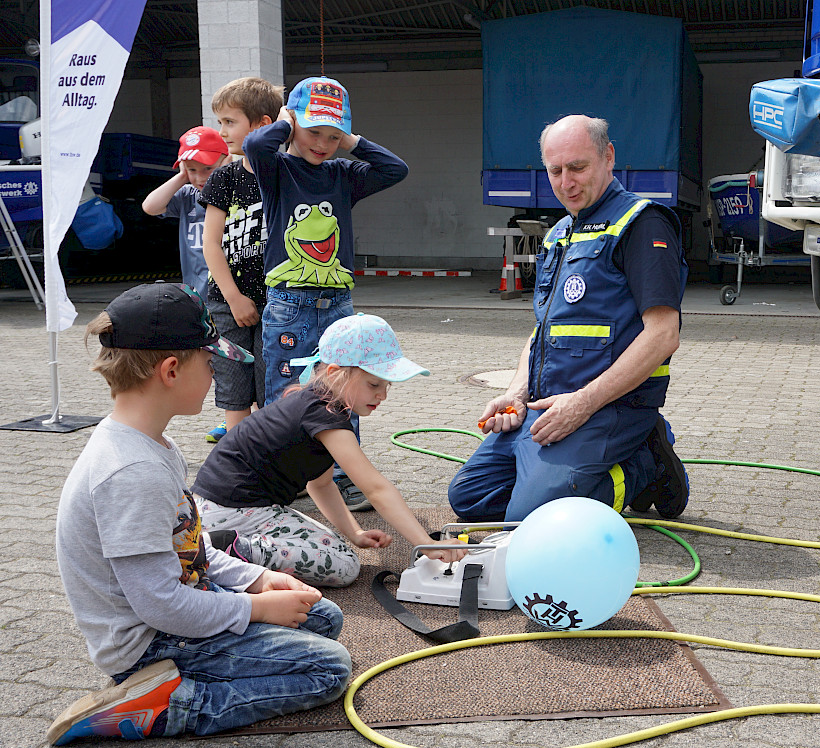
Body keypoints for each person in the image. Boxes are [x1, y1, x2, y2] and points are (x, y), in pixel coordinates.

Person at [48, 283, 351, 746]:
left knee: (323, 618)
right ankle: (165, 704)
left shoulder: (153, 445)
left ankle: (180, 682)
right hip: (151, 643)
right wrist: (254, 608)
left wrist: (255, 580)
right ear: (171, 370)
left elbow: (192, 545)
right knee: (328, 668)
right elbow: (161, 604)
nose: (215, 375)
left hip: (177, 615)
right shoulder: (131, 471)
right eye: (210, 364)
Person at [447, 114, 690, 523]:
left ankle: (644, 465)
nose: (566, 182)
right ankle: (565, 475)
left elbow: (663, 336)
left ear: (608, 157)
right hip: (548, 405)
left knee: (531, 518)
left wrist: (582, 404)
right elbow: (543, 329)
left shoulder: (641, 224)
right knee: (470, 498)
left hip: (610, 408)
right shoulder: (558, 233)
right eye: (555, 171)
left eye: (578, 167)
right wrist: (516, 393)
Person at [191, 313, 464, 587]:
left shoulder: (319, 406)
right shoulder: (325, 417)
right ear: (334, 374)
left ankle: (228, 546)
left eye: (386, 385)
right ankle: (224, 549)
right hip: (233, 510)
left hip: (221, 507)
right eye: (374, 384)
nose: (383, 395)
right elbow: (376, 488)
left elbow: (320, 485)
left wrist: (354, 532)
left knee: (333, 547)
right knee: (345, 566)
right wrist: (426, 544)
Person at [244, 75, 409, 512]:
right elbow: (256, 146)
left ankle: (343, 476)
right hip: (289, 303)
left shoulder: (344, 173)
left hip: (338, 305)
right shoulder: (277, 168)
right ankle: (285, 475)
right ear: (292, 124)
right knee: (286, 390)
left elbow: (395, 169)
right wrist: (285, 122)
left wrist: (353, 142)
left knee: (346, 390)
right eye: (314, 131)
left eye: (332, 135)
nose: (323, 142)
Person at [198, 77, 284, 444]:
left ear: (263, 126)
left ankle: (272, 468)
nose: (222, 131)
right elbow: (211, 243)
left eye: (230, 122)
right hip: (225, 302)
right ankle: (240, 469)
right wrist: (233, 297)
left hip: (279, 303)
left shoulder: (286, 174)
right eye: (220, 122)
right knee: (234, 393)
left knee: (272, 390)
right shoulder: (225, 178)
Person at [141, 126, 229, 294]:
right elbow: (150, 206)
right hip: (197, 294)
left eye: (207, 168)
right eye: (192, 170)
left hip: (230, 293)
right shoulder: (188, 196)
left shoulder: (236, 193)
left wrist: (224, 174)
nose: (200, 177)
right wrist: (182, 176)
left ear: (225, 160)